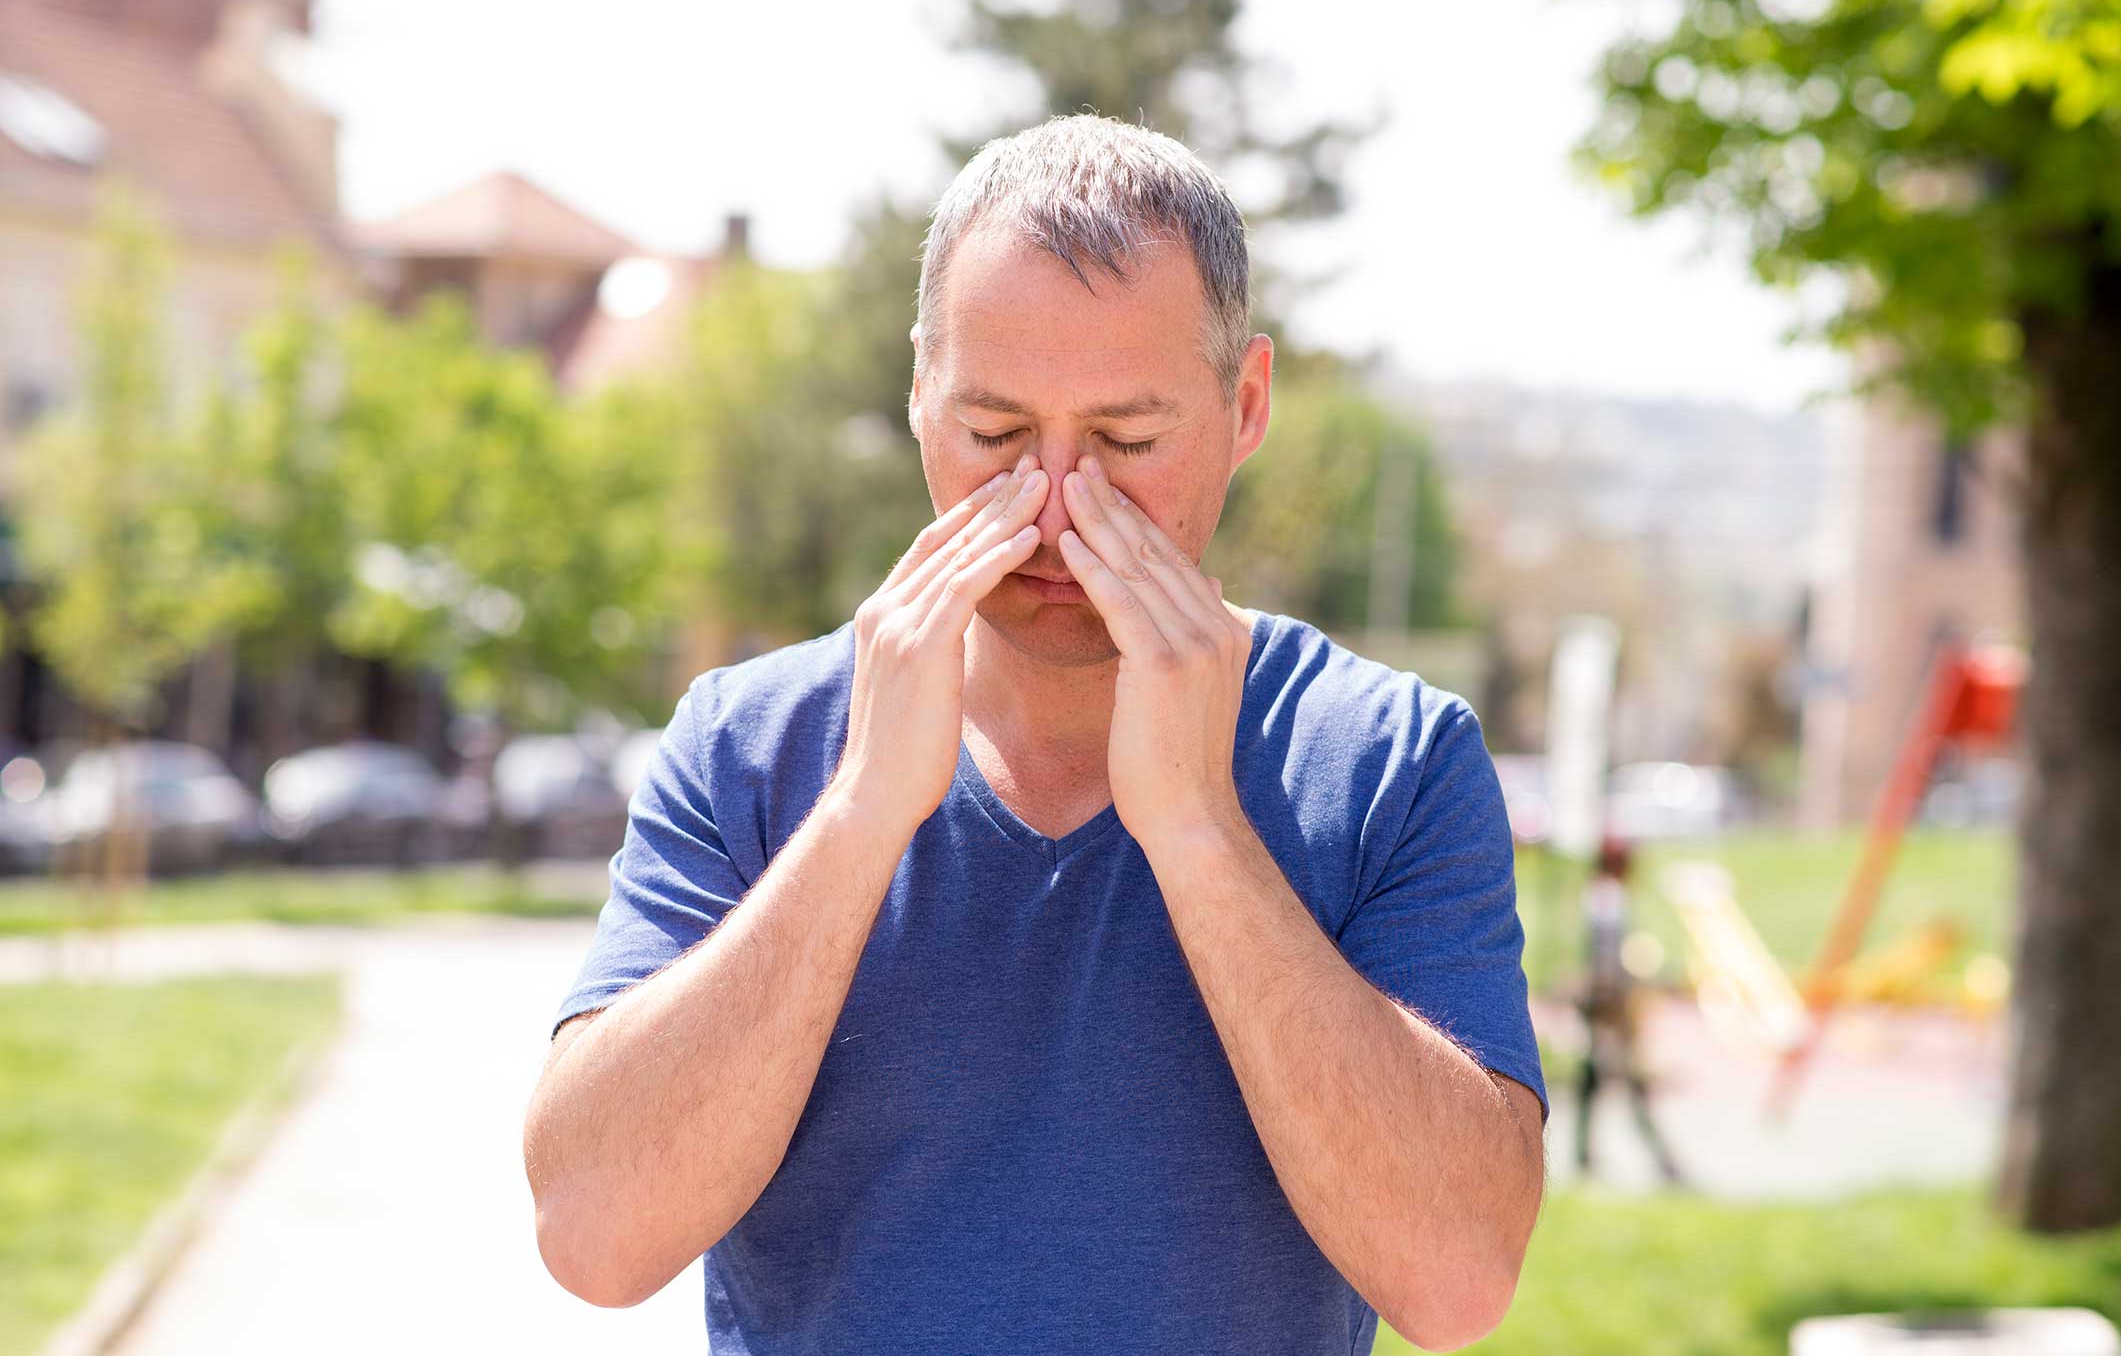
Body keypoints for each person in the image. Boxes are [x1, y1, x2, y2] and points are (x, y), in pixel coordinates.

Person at [523, 114, 1548, 1355]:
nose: (1057, 510)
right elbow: (593, 1237)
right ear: (918, 393)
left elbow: (1457, 1283)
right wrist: (857, 819)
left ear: (1248, 403)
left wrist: (1199, 832)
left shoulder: (1390, 760)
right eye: (994, 434)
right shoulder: (749, 744)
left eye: (1128, 442)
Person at [1573, 833, 1685, 1186]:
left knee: (1594, 1076)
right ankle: (1661, 1159)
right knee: (1628, 1078)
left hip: (1601, 1000)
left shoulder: (1596, 898)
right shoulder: (1610, 903)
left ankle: (1584, 1155)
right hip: (1610, 1002)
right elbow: (1607, 961)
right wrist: (1618, 1002)